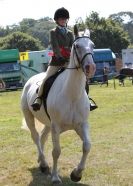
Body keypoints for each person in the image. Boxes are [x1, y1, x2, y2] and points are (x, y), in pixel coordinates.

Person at [31, 7, 97, 111]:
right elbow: (55, 46)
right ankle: (38, 99)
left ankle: (87, 99)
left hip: (68, 62)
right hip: (56, 62)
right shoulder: (53, 32)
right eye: (61, 19)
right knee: (46, 79)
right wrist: (60, 57)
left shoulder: (70, 33)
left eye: (65, 19)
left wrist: (71, 59)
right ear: (57, 20)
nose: (63, 20)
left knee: (82, 79)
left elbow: (73, 47)